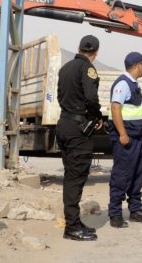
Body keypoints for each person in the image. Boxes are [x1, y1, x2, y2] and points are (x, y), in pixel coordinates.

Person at [56, 35, 104, 241]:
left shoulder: (65, 68)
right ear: (96, 52)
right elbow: (92, 97)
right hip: (78, 128)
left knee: (70, 176)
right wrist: (96, 116)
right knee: (76, 178)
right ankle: (72, 228)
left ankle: (74, 222)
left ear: (79, 47)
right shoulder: (87, 68)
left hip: (65, 123)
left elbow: (59, 96)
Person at [107, 51, 142, 228]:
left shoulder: (133, 84)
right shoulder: (123, 83)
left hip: (137, 138)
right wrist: (122, 134)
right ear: (137, 66)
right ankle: (115, 214)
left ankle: (135, 210)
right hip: (127, 139)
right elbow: (115, 108)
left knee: (137, 174)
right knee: (122, 176)